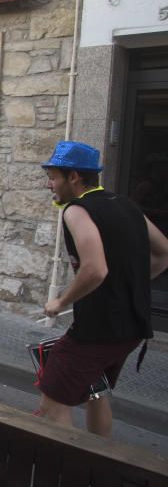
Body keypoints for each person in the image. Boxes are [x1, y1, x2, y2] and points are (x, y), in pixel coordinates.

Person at [38, 141, 168, 436]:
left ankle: (69, 475)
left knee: (52, 404)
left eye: (54, 177)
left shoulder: (76, 210)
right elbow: (163, 253)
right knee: (96, 392)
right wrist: (129, 284)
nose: (49, 185)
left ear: (74, 177)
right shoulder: (126, 204)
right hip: (132, 328)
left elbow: (95, 268)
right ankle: (99, 470)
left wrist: (60, 301)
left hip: (98, 329)